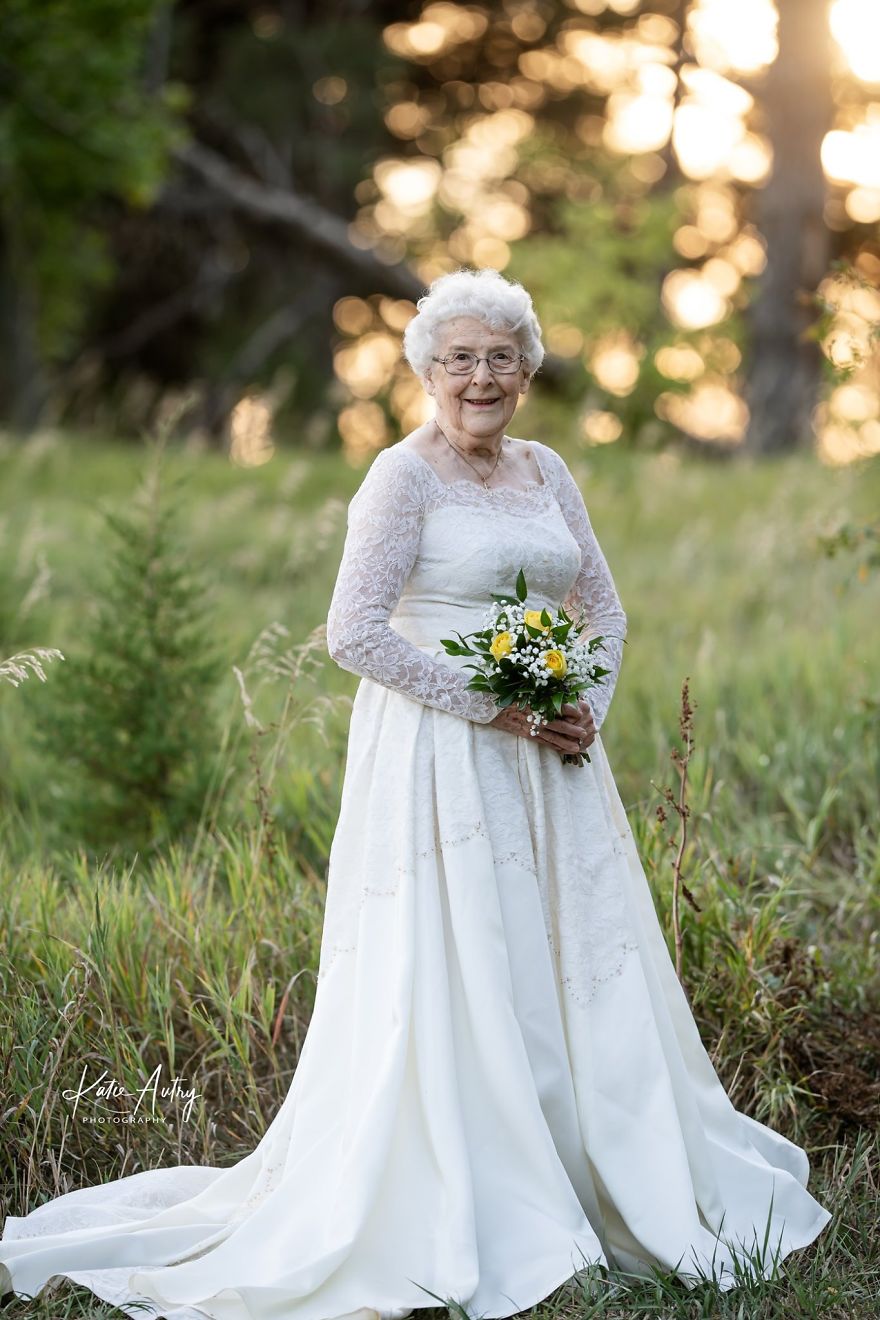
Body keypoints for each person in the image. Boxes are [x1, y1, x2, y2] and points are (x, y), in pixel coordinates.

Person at [0, 268, 831, 1319]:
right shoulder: (401, 478)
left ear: (525, 372)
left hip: (554, 751)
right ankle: (477, 1189)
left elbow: (603, 609)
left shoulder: (546, 469)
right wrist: (495, 710)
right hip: (441, 755)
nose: (480, 376)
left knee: (566, 951)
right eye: (459, 358)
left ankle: (599, 1164)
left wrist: (583, 705)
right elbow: (354, 633)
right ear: (427, 372)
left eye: (500, 357)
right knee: (461, 954)